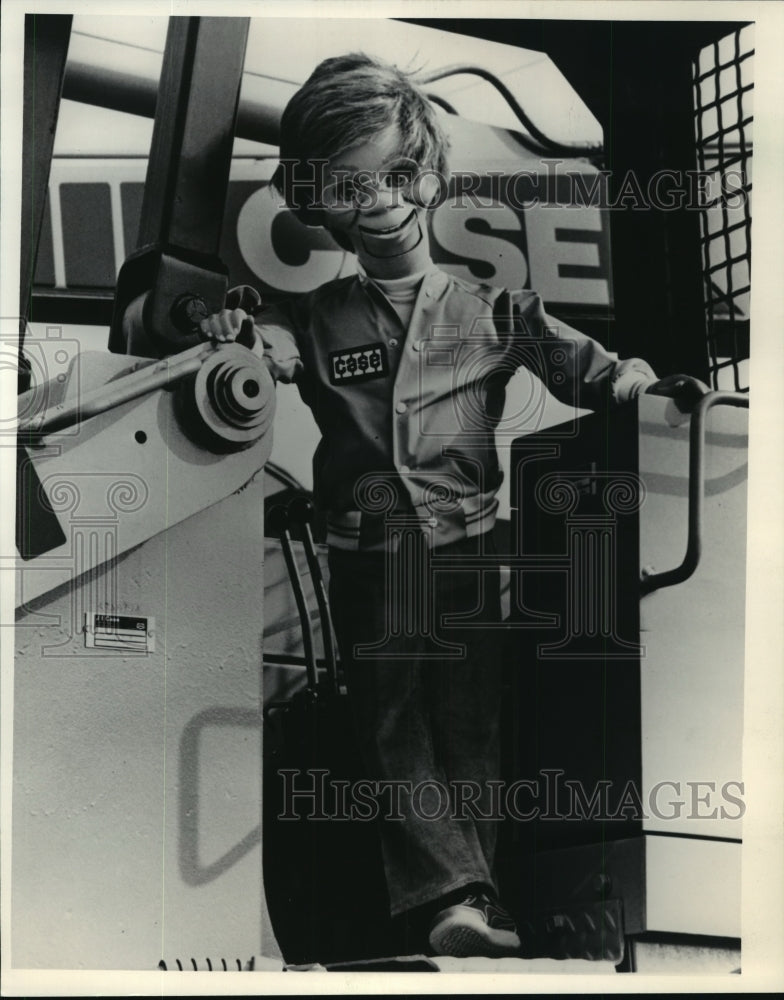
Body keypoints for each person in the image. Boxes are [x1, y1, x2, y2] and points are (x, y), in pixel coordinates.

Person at [200, 52, 707, 958]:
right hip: (372, 553)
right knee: (390, 724)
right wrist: (235, 333)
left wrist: (636, 384)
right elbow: (259, 346)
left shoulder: (491, 309)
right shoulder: (313, 321)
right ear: (319, 204)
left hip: (473, 547)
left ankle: (473, 897)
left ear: (430, 174)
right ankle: (449, 898)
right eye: (354, 187)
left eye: (401, 175)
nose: (386, 202)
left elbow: (584, 368)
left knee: (471, 721)